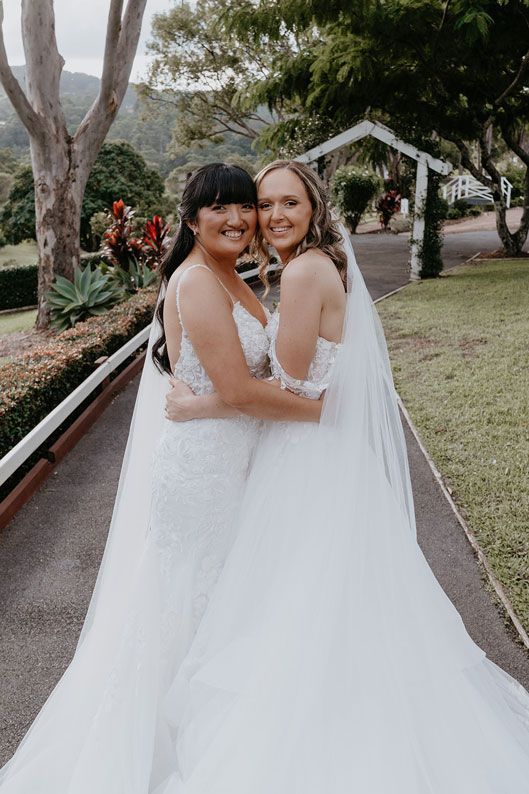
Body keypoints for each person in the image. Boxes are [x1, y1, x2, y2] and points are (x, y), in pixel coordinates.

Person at [161, 160, 529, 793]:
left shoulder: (304, 271)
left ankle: (312, 733)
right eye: (263, 203)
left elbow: (290, 384)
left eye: (286, 204)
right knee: (325, 593)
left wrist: (198, 404)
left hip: (304, 453)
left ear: (314, 207)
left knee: (298, 597)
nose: (270, 216)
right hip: (311, 452)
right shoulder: (307, 268)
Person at [0, 163, 322, 793]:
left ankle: (222, 738)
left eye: (245, 207)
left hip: (232, 459)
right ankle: (161, 752)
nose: (238, 219)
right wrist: (320, 411)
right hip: (204, 472)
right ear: (191, 219)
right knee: (185, 607)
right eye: (219, 209)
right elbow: (234, 387)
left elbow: (239, 382)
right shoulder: (198, 281)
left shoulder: (235, 273)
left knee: (225, 605)